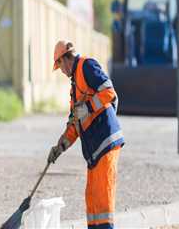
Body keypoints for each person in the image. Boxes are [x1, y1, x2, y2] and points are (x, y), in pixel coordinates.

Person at [48, 40, 125, 229]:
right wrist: (60, 147)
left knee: (102, 200)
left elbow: (109, 92)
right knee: (92, 200)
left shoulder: (87, 66)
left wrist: (89, 108)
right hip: (94, 151)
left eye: (60, 66)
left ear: (66, 58)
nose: (62, 72)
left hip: (105, 142)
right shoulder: (74, 87)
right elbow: (75, 125)